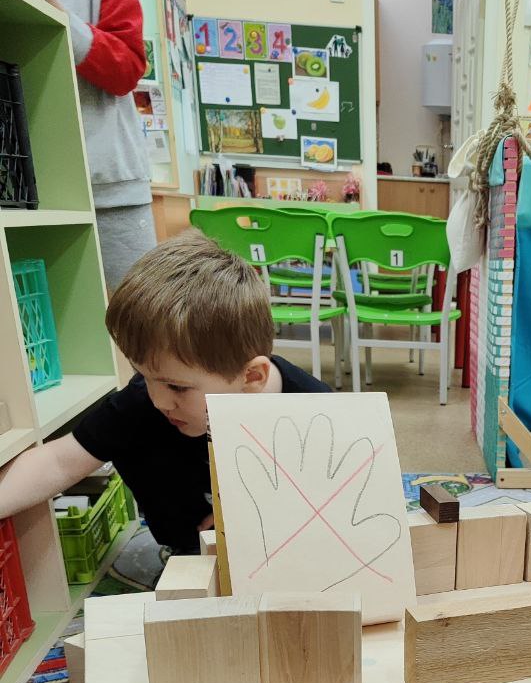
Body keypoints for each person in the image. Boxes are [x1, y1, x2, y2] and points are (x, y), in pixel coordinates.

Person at [0, 232, 331, 556]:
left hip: (286, 544)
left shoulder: (317, 409)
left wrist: (255, 518)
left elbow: (340, 500)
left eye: (177, 387)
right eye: (143, 374)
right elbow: (59, 462)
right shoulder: (142, 401)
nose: (159, 400)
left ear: (252, 377)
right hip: (188, 548)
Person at [1, 0, 157, 289]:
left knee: (143, 314)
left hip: (106, 189)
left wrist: (59, 16)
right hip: (17, 186)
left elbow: (129, 66)